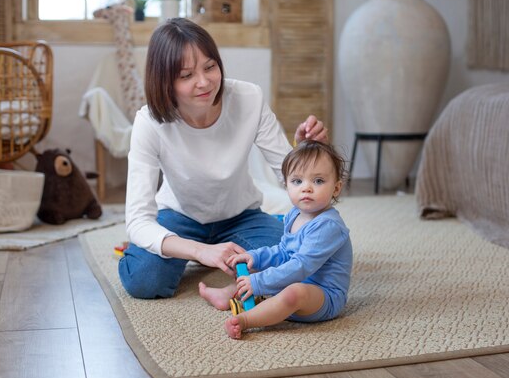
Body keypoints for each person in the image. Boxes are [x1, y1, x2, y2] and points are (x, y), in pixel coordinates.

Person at [119, 18, 328, 299]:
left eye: (210, 67)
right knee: (144, 280)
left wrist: (305, 152)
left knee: (302, 261)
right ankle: (165, 246)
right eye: (186, 75)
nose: (204, 82)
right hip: (179, 217)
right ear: (164, 81)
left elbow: (287, 171)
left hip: (242, 216)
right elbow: (138, 219)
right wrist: (199, 251)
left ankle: (268, 228)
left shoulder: (248, 98)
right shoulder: (149, 122)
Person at [199, 140, 353, 339]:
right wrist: (254, 257)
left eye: (318, 181)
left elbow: (300, 266)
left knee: (293, 292)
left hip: (322, 297)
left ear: (336, 188)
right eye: (297, 181)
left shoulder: (328, 226)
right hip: (292, 280)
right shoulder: (294, 215)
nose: (306, 188)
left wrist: (259, 282)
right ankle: (227, 294)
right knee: (259, 266)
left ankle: (247, 320)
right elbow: (282, 251)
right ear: (286, 185)